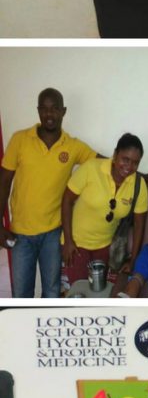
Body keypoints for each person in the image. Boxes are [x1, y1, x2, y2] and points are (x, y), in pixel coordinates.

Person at [0, 88, 97, 297]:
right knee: (21, 295)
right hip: (21, 234)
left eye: (54, 109)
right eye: (44, 109)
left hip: (53, 233)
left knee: (52, 292)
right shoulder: (19, 139)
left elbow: (106, 162)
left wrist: (142, 174)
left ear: (63, 111)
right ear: (38, 111)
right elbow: (4, 183)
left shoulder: (72, 146)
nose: (49, 114)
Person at [60, 132, 148, 291]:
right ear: (115, 155)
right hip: (76, 245)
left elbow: (139, 225)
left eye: (135, 163)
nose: (129, 167)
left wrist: (133, 259)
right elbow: (67, 201)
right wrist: (68, 241)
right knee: (79, 291)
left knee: (101, 293)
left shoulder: (138, 184)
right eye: (125, 159)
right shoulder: (91, 168)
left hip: (106, 248)